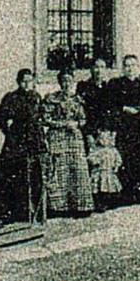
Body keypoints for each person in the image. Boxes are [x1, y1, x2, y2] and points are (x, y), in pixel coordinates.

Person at [0, 68, 46, 223]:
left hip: (34, 140)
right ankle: (13, 212)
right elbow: (2, 120)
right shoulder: (11, 98)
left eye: (30, 81)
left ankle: (32, 213)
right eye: (24, 81)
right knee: (14, 176)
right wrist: (10, 135)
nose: (27, 84)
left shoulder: (36, 97)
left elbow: (41, 118)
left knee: (34, 176)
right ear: (18, 82)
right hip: (16, 142)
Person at [42, 70, 95, 216]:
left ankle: (80, 206)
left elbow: (83, 119)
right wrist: (63, 124)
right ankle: (59, 207)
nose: (66, 84)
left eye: (69, 81)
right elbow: (45, 119)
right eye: (64, 81)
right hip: (58, 137)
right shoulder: (52, 98)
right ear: (60, 82)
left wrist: (77, 124)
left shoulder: (77, 99)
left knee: (78, 168)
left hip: (74, 137)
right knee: (59, 170)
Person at [106, 55, 140, 203]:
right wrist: (124, 108)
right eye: (127, 65)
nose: (130, 68)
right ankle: (127, 193)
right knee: (126, 158)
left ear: (138, 67)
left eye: (133, 65)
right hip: (124, 126)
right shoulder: (116, 84)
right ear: (123, 68)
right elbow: (111, 103)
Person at [77, 57, 112, 147]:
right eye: (96, 67)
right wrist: (88, 133)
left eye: (102, 67)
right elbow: (81, 112)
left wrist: (107, 131)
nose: (99, 70)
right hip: (88, 131)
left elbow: (111, 111)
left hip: (105, 132)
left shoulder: (109, 88)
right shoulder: (83, 87)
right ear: (91, 69)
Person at [87, 129, 123, 211]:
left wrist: (116, 166)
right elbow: (90, 158)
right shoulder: (97, 150)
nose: (104, 141)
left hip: (109, 172)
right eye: (102, 139)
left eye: (106, 139)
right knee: (98, 187)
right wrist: (96, 161)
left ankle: (110, 202)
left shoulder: (112, 150)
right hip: (99, 171)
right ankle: (100, 203)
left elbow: (118, 159)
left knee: (110, 187)